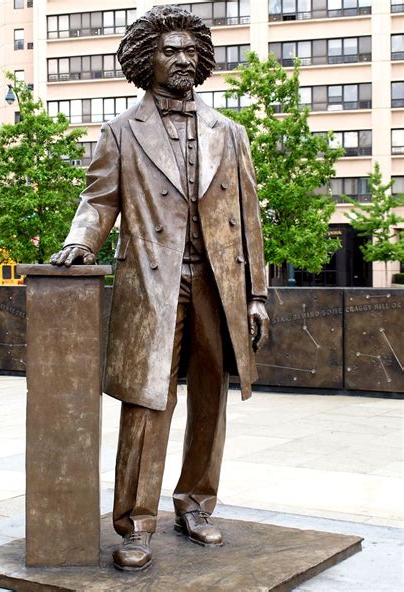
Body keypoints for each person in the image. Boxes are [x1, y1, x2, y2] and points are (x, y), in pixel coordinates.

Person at [50, 5, 269, 572]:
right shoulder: (122, 132)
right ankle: (136, 521)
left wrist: (257, 295)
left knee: (210, 401)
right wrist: (82, 243)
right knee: (147, 404)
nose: (183, 59)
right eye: (170, 50)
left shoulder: (231, 133)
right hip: (152, 284)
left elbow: (249, 219)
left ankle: (195, 504)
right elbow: (98, 200)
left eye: (190, 50)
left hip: (218, 285)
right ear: (147, 60)